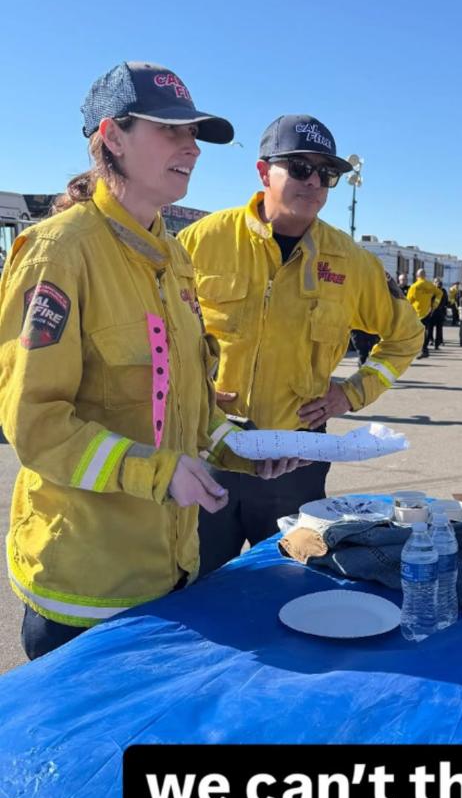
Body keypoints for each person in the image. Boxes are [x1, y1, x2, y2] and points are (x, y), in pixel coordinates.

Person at [0, 61, 291, 661]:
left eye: (195, 135)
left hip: (168, 574)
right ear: (111, 136)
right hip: (86, 591)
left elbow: (180, 403)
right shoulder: (60, 253)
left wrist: (244, 448)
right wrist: (156, 473)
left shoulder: (172, 259)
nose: (192, 147)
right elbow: (34, 424)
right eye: (171, 130)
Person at [180, 114, 423, 573]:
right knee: (196, 582)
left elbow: (406, 335)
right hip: (209, 446)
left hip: (296, 460)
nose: (314, 182)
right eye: (299, 168)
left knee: (293, 583)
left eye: (326, 173)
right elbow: (161, 332)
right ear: (262, 171)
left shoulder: (350, 260)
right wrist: (189, 389)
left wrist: (351, 393)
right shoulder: (202, 242)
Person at [406, 267, 440, 358]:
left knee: (416, 333)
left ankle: (419, 350)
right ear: (425, 276)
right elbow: (440, 293)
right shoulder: (430, 285)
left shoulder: (414, 286)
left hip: (416, 313)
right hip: (428, 312)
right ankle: (424, 349)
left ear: (417, 276)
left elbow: (408, 301)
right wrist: (434, 305)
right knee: (426, 331)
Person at [430, 277, 449, 349]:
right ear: (433, 283)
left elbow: (446, 301)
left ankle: (438, 342)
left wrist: (444, 309)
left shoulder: (443, 291)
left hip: (440, 312)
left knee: (439, 328)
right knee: (430, 328)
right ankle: (430, 340)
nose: (438, 283)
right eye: (436, 282)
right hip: (432, 312)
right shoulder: (432, 291)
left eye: (439, 282)